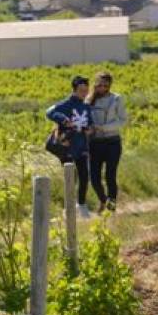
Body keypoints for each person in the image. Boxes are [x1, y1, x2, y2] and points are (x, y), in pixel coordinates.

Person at [47, 76, 100, 218]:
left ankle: (82, 206)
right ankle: (68, 208)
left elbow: (90, 123)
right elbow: (49, 112)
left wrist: (90, 129)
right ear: (74, 90)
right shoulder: (66, 104)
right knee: (71, 177)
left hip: (82, 145)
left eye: (86, 91)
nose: (84, 93)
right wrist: (64, 120)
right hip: (67, 146)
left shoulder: (86, 106)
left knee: (84, 176)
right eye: (81, 90)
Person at [85, 71, 127, 212]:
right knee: (94, 177)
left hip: (112, 142)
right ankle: (103, 200)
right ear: (95, 84)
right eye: (100, 85)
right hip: (94, 143)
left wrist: (103, 128)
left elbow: (122, 120)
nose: (102, 88)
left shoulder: (116, 99)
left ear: (110, 85)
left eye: (106, 85)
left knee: (110, 175)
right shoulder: (88, 100)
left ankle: (111, 207)